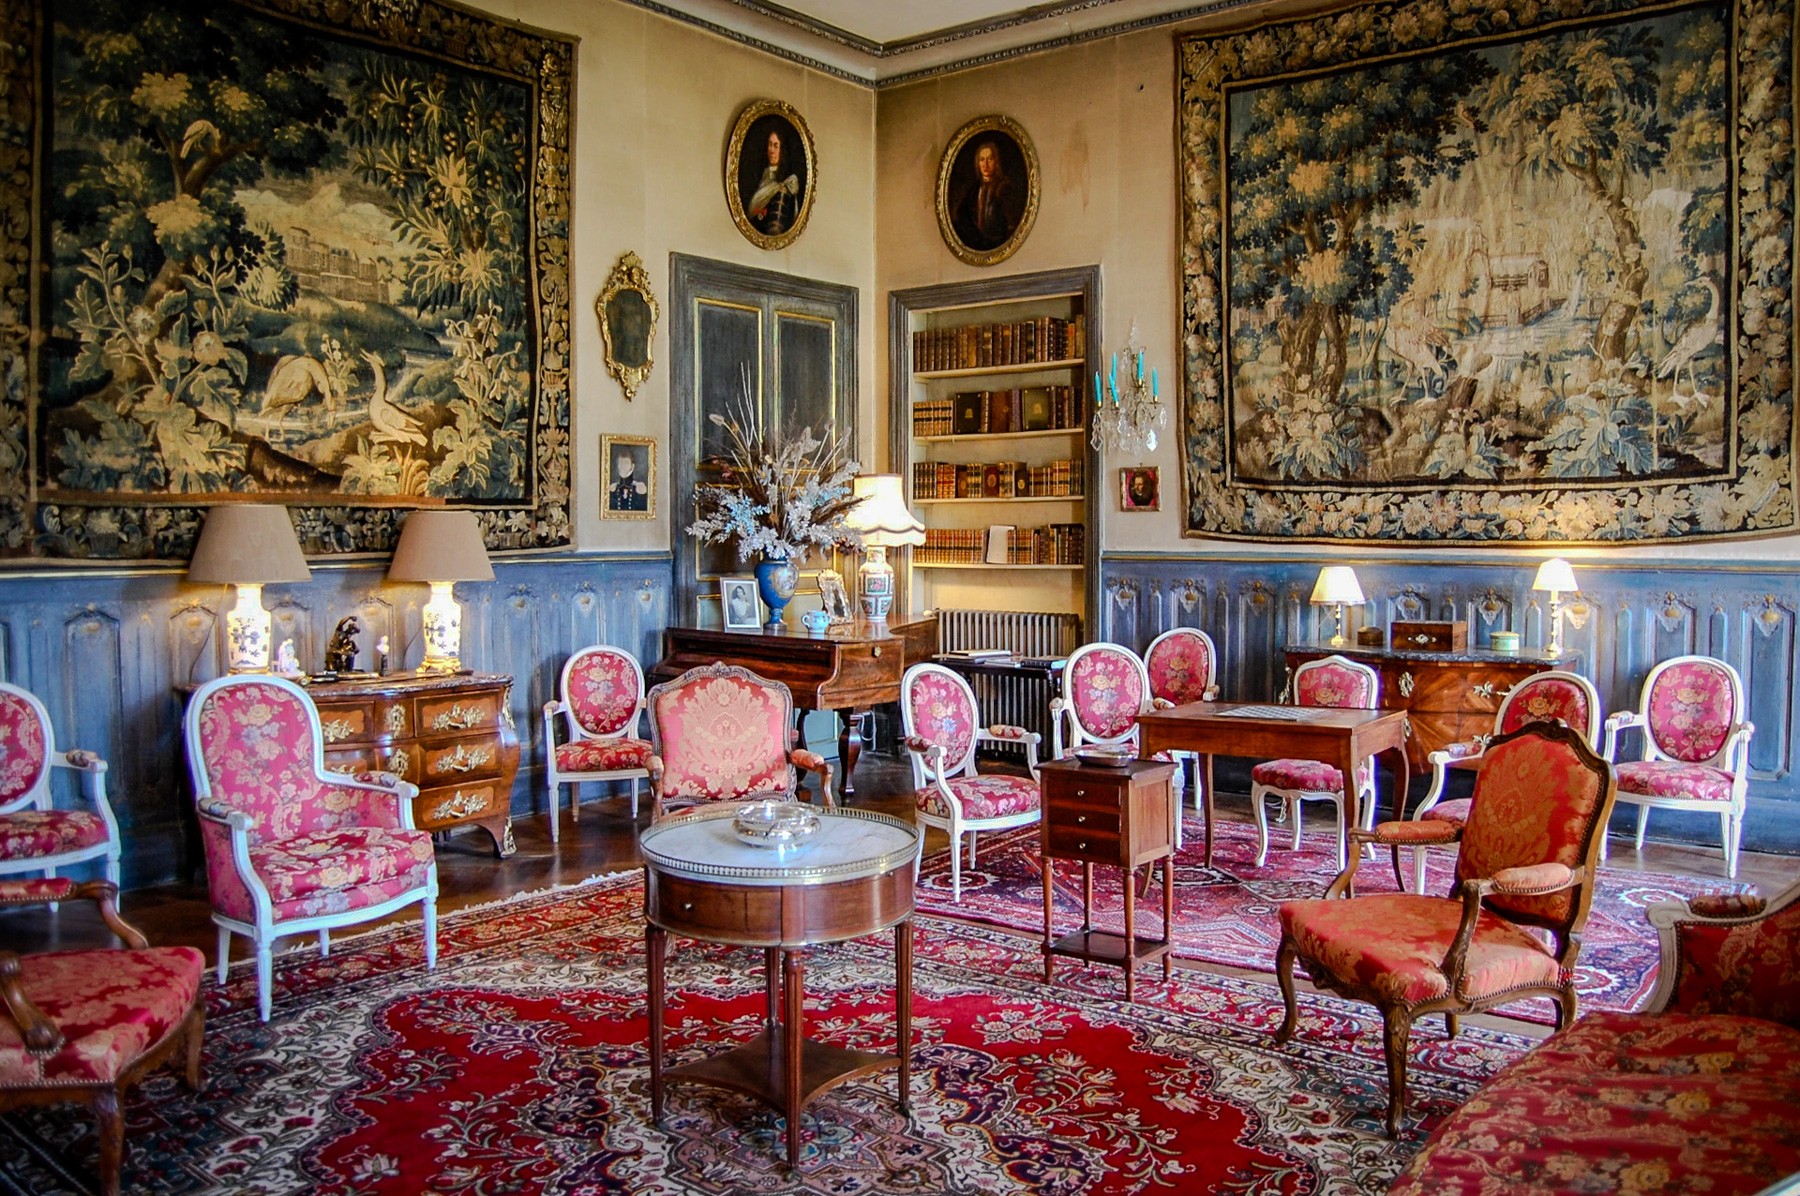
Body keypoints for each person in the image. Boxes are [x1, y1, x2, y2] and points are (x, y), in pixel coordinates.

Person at [952, 140, 1016, 252]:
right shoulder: (974, 188)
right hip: (977, 244)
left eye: (989, 159)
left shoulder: (1004, 187)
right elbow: (961, 215)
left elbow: (1010, 225)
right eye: (982, 159)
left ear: (996, 161)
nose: (985, 164)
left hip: (997, 244)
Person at [747, 129, 800, 235]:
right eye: (770, 145)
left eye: (776, 146)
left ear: (782, 150)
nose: (771, 150)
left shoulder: (787, 183)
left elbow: (775, 228)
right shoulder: (762, 175)